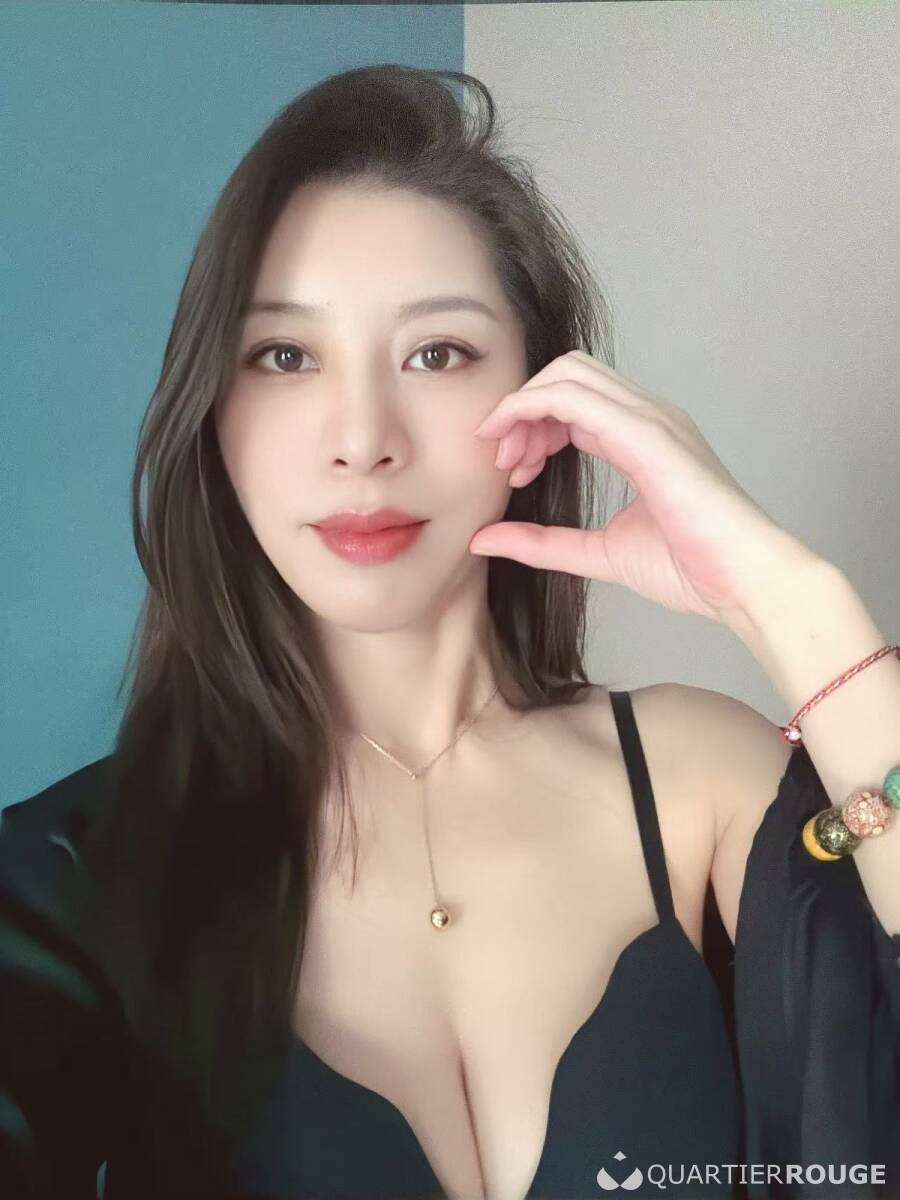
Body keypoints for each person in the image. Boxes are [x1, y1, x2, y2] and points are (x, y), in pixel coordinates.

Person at [1, 64, 898, 1200]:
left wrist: (793, 601)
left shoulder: (700, 782)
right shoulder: (70, 876)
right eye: (284, 355)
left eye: (437, 354)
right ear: (210, 410)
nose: (362, 439)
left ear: (544, 396)